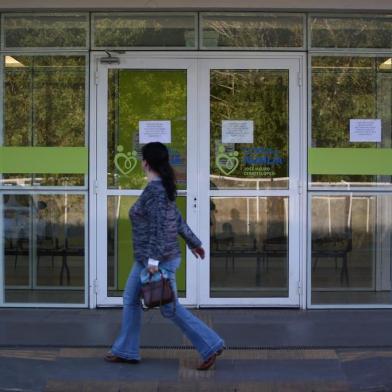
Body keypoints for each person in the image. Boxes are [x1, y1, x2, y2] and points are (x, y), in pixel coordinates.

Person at [105, 142, 225, 371]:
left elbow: (160, 228)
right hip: (147, 259)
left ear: (145, 163)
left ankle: (211, 344)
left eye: (142, 159)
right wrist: (194, 243)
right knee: (130, 300)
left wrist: (152, 262)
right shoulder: (161, 188)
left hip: (157, 260)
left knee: (170, 309)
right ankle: (126, 350)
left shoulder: (157, 191)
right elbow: (176, 220)